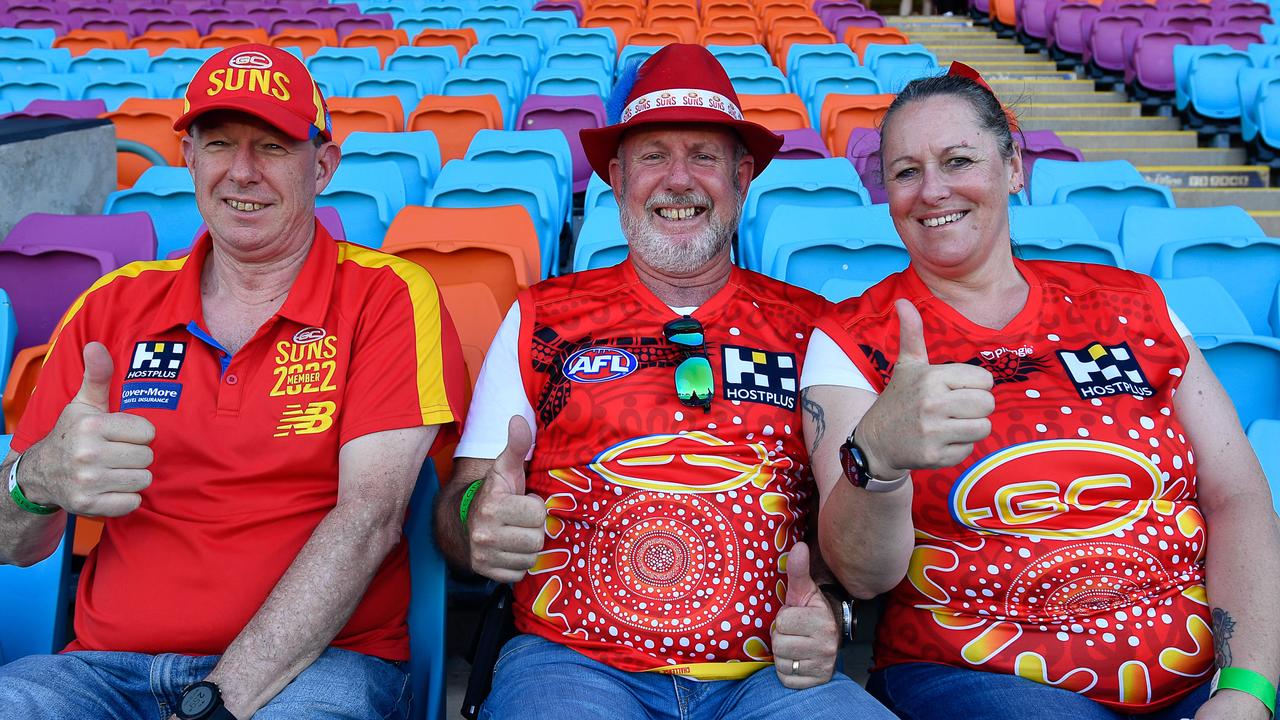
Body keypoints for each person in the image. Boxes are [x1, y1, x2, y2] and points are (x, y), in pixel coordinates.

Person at [0, 43, 467, 720]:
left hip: (312, 671)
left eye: (273, 147)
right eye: (218, 143)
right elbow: (17, 546)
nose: (241, 172)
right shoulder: (110, 305)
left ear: (323, 166)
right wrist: (36, 479)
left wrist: (216, 703)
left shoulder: (387, 296)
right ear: (188, 157)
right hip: (105, 671)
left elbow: (369, 520)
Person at [799, 65, 1280, 719]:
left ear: (1014, 167)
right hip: (986, 673)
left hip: (1207, 670)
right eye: (906, 171)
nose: (932, 189)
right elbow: (862, 574)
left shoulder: (1132, 305)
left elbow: (1238, 498)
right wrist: (876, 463)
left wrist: (1246, 689)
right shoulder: (856, 336)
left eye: (958, 159)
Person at [433, 44, 896, 720]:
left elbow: (858, 526)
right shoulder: (539, 318)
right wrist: (479, 518)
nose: (678, 180)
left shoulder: (816, 328)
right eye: (653, 156)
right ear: (616, 180)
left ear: (742, 179)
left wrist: (833, 613)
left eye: (704, 156)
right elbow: (459, 506)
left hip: (773, 675)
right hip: (574, 665)